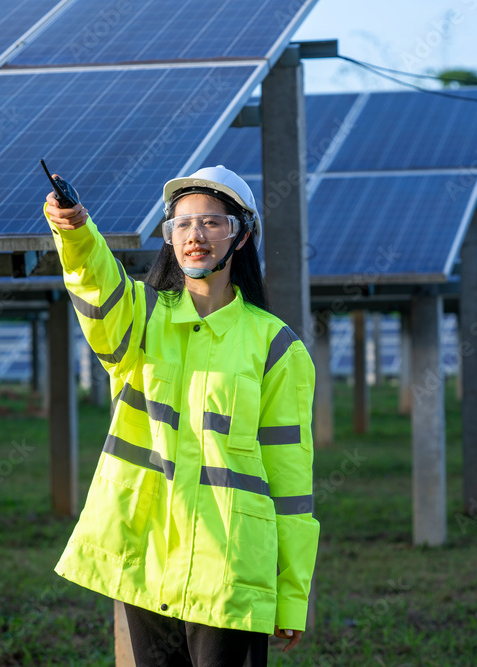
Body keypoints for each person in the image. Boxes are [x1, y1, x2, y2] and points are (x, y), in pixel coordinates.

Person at [44, 165, 319, 666]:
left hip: (233, 564)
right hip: (146, 552)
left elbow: (291, 478)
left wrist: (291, 590)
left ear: (241, 235)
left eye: (213, 222)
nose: (196, 235)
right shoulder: (139, 319)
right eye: (182, 224)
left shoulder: (276, 346)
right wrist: (75, 231)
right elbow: (96, 283)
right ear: (169, 239)